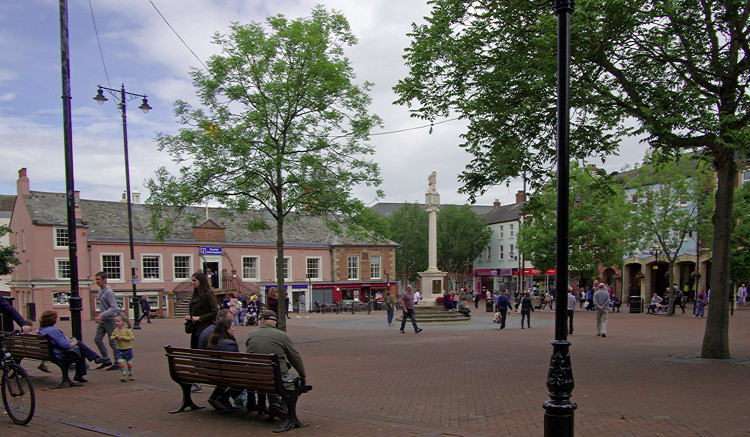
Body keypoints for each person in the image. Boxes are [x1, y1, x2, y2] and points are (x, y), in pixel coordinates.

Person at [246, 310, 307, 421]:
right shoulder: (282, 336)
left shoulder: (252, 334)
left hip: (254, 376)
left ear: (262, 320)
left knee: (270, 375)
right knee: (295, 380)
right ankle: (283, 408)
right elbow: (294, 356)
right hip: (275, 377)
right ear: (275, 322)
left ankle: (274, 404)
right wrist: (303, 374)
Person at [37, 310, 105, 383]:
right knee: (79, 346)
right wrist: (74, 342)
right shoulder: (54, 331)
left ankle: (94, 360)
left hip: (48, 353)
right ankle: (94, 359)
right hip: (57, 354)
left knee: (80, 350)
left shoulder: (41, 330)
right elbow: (65, 346)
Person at [185, 272, 218, 392]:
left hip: (205, 330)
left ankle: (203, 379)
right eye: (192, 280)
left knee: (204, 355)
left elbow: (215, 312)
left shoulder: (208, 295)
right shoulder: (194, 295)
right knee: (195, 355)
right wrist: (189, 316)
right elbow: (192, 310)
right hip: (195, 330)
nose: (192, 283)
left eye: (194, 280)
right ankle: (196, 380)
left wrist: (200, 318)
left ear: (201, 281)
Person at [206, 318, 246, 411]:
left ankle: (214, 396)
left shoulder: (213, 341)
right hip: (226, 374)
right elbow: (237, 363)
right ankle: (224, 398)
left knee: (226, 374)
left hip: (214, 373)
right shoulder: (229, 344)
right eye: (232, 326)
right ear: (226, 329)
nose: (234, 329)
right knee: (246, 378)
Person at [93, 271, 121, 371]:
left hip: (110, 319)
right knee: (97, 339)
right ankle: (106, 359)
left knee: (112, 341)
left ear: (104, 280)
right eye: (96, 279)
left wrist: (101, 315)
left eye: (99, 279)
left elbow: (114, 307)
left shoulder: (109, 292)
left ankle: (117, 362)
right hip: (103, 319)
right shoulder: (100, 291)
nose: (97, 281)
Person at [111, 314, 135, 382]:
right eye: (115, 321)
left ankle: (130, 373)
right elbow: (111, 337)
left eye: (118, 321)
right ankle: (123, 373)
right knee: (120, 361)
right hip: (119, 349)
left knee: (128, 362)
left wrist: (124, 338)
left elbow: (132, 338)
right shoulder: (116, 330)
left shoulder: (127, 330)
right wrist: (115, 337)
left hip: (127, 348)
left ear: (123, 323)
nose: (116, 323)